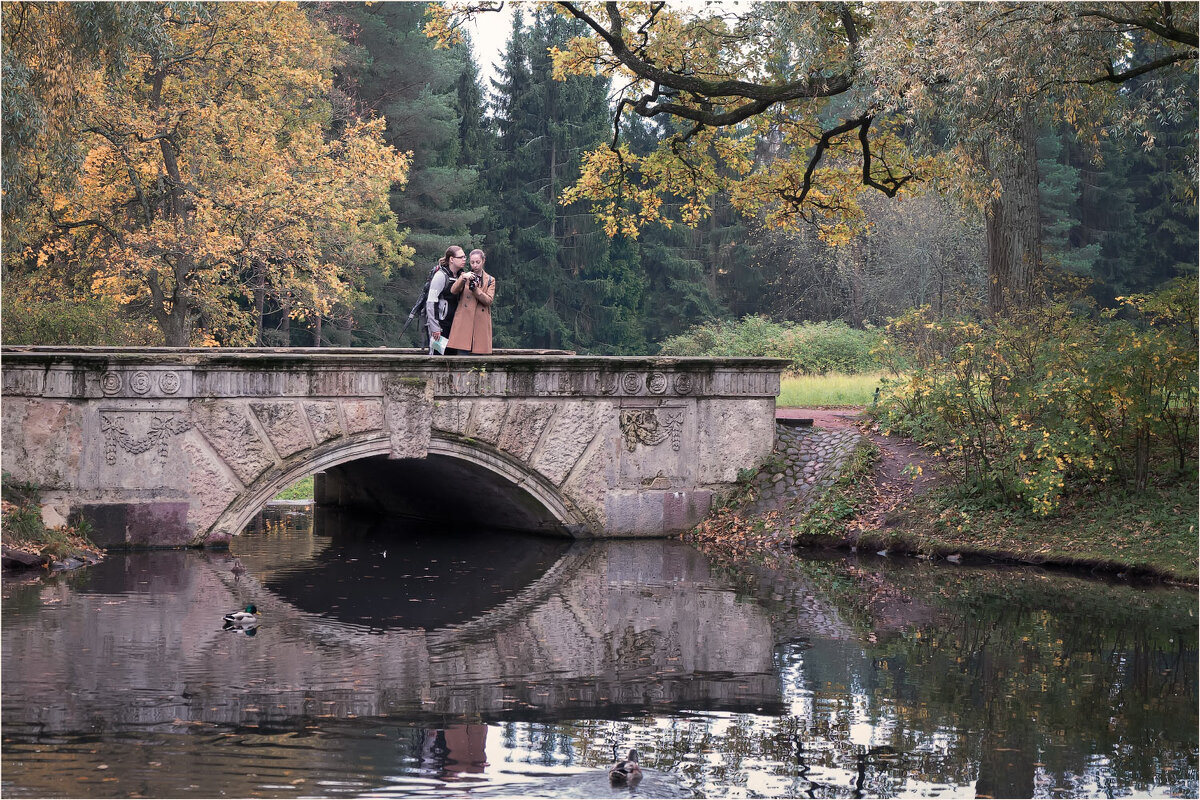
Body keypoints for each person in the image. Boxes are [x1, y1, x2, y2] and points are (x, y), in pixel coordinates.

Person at [446, 249, 495, 354]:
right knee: (462, 359)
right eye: (472, 262)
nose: (475, 265)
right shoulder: (464, 276)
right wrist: (463, 278)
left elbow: (489, 301)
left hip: (480, 324)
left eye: (478, 262)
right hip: (464, 322)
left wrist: (476, 290)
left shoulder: (490, 280)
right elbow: (453, 290)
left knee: (479, 361)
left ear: (483, 261)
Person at [425, 246, 467, 354]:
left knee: (452, 358)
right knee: (438, 358)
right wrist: (435, 327)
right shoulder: (440, 276)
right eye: (461, 257)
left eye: (464, 257)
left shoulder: (461, 276)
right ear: (451, 259)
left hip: (455, 326)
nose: (464, 259)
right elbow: (431, 302)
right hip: (441, 327)